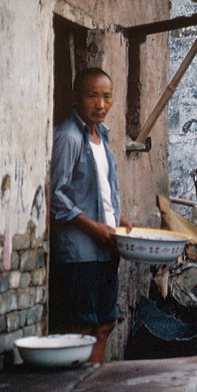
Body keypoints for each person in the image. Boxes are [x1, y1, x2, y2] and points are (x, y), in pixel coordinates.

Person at [49, 67, 130, 363]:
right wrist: (93, 228)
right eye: (92, 95)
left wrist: (117, 221)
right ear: (75, 98)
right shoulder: (69, 137)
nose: (100, 104)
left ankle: (93, 390)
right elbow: (55, 196)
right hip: (79, 253)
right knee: (80, 328)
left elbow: (96, 194)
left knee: (105, 324)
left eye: (106, 96)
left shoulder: (102, 138)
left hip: (106, 250)